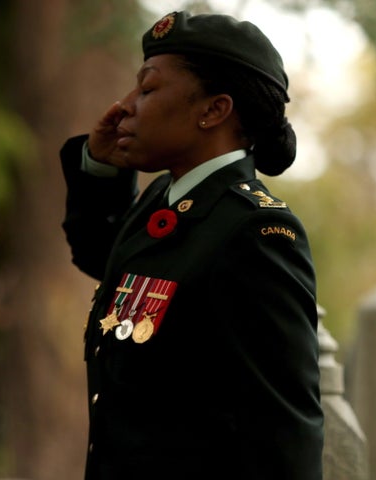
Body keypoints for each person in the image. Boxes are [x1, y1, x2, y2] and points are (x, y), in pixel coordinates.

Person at [60, 11, 323, 479]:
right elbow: (105, 257)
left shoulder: (256, 233)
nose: (124, 106)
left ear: (213, 110)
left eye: (147, 89)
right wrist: (100, 169)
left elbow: (284, 436)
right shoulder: (164, 198)